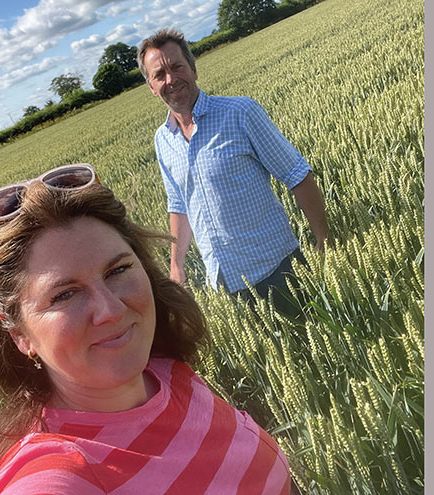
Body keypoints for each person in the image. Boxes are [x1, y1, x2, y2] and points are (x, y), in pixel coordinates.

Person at [0, 163, 292, 495]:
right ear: (18, 334)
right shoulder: (52, 481)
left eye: (117, 270)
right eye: (64, 294)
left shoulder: (165, 375)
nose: (111, 310)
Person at [137, 28, 332, 315]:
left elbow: (297, 175)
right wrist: (177, 268)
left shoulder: (240, 113)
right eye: (160, 74)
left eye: (177, 67)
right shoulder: (162, 140)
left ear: (193, 69)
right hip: (225, 285)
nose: (171, 79)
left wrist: (323, 239)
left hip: (278, 269)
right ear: (152, 88)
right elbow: (179, 205)